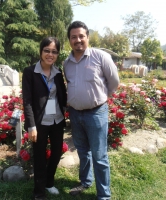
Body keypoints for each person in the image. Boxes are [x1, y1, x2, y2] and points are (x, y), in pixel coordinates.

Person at [63, 21, 120, 200]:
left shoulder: (101, 57)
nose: (78, 40)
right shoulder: (67, 63)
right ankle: (85, 182)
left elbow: (114, 82)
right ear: (69, 40)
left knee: (99, 155)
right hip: (75, 113)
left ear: (87, 37)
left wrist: (101, 98)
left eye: (81, 36)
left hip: (96, 113)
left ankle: (104, 195)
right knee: (82, 151)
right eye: (74, 37)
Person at [22, 37, 67, 200]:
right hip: (40, 122)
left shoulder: (58, 73)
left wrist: (65, 109)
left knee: (56, 153)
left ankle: (49, 183)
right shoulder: (30, 72)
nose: (50, 54)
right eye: (47, 50)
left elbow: (61, 93)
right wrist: (31, 126)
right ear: (41, 51)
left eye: (54, 51)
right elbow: (27, 101)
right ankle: (39, 193)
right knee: (40, 157)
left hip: (57, 120)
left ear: (58, 54)